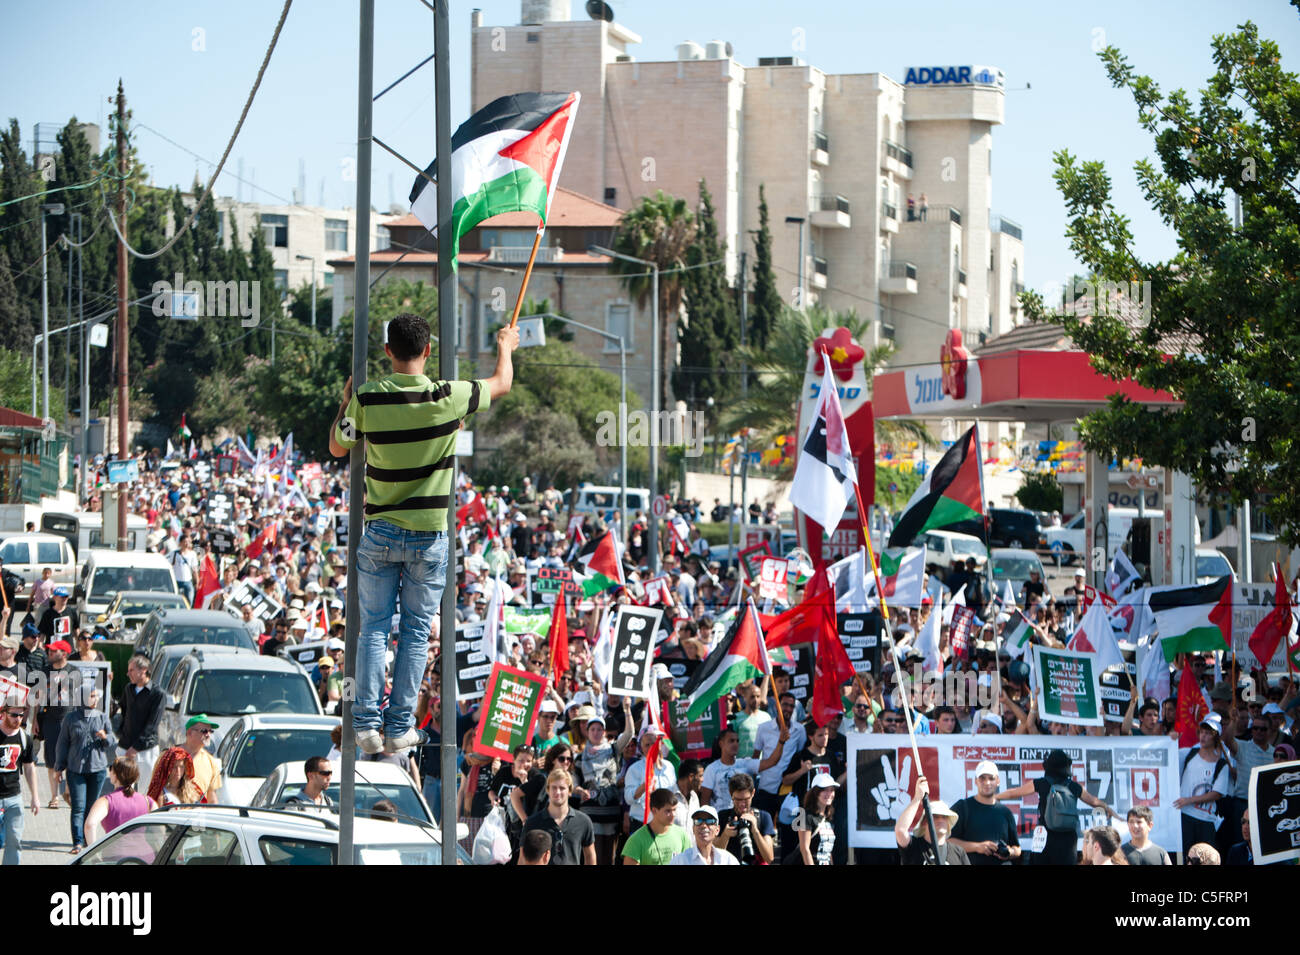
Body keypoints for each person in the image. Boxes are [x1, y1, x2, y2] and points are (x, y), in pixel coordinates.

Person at [330, 313, 518, 755]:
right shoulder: (447, 396)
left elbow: (338, 446)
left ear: (388, 352)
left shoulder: (368, 397)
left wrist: (345, 402)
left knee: (374, 630)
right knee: (416, 631)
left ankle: (367, 726)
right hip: (429, 537)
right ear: (429, 351)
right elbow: (501, 383)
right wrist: (506, 345)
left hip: (379, 533)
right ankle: (399, 726)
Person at [993, 748, 1117, 865]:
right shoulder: (1074, 786)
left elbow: (1014, 793)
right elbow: (1094, 801)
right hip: (1068, 839)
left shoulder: (1041, 783)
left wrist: (995, 797)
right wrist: (1108, 808)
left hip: (1045, 836)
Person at [54, 685, 114, 854]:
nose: (95, 699)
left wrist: (105, 737)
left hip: (97, 769)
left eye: (96, 696)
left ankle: (90, 842)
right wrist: (59, 767)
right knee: (78, 806)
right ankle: (78, 842)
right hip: (75, 769)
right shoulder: (71, 718)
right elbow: (63, 743)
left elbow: (112, 741)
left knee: (91, 806)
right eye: (91, 696)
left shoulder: (102, 717)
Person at [1176, 712, 1232, 857]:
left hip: (1206, 820)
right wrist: (1171, 739)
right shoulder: (1188, 753)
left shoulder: (1221, 764)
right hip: (1185, 816)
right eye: (1202, 732)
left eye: (1208, 733)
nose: (1203, 736)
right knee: (1184, 857)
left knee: (1204, 859)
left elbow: (1217, 793)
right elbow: (1166, 755)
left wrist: (1189, 800)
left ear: (1215, 737)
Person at [949, 760, 1020, 865]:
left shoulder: (1006, 812)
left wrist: (1009, 852)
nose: (987, 783)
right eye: (982, 778)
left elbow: (1017, 848)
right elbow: (947, 841)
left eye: (991, 778)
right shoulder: (962, 807)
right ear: (975, 781)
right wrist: (977, 847)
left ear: (998, 781)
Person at [521, 768, 595, 865]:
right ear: (548, 790)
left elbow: (590, 856)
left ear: (569, 791)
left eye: (562, 788)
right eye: (554, 787)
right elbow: (523, 859)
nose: (558, 792)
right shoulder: (532, 823)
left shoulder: (583, 821)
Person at [894, 776, 969, 865]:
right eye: (935, 816)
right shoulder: (914, 846)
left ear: (949, 823)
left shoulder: (958, 852)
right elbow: (900, 831)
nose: (940, 820)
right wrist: (917, 797)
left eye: (944, 817)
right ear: (924, 823)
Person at [0, 701, 39, 865]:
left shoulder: (25, 738)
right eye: (14, 715)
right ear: (4, 713)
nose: (18, 719)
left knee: (15, 841)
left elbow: (29, 767)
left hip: (14, 798)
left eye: (21, 715)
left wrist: (35, 796)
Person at [117, 654, 165, 787]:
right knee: (123, 787)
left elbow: (152, 724)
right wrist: (122, 734)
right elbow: (123, 712)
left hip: (146, 750)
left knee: (146, 788)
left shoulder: (157, 694)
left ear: (143, 670)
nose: (128, 674)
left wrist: (136, 747)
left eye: (131, 670)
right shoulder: (128, 689)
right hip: (126, 746)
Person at [84, 757, 153, 845]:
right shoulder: (148, 801)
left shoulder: (106, 801)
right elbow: (160, 830)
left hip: (115, 855)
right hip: (146, 855)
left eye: (111, 769)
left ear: (115, 775)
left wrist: (93, 854)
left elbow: (90, 825)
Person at [716, 772, 776, 865]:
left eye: (746, 799)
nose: (742, 804)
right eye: (738, 799)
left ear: (753, 793)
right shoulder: (723, 816)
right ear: (731, 794)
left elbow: (769, 858)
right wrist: (725, 835)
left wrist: (755, 831)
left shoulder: (764, 817)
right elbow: (715, 856)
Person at [621, 787, 691, 865]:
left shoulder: (681, 835)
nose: (673, 814)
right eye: (668, 811)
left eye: (674, 810)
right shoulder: (636, 840)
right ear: (654, 811)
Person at [785, 773, 841, 865]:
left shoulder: (828, 817)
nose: (829, 794)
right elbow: (804, 849)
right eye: (825, 790)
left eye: (831, 790)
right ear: (816, 792)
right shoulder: (806, 816)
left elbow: (828, 850)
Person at [671, 804, 739, 865]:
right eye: (698, 821)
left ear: (717, 830)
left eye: (710, 821)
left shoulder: (728, 860)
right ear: (693, 829)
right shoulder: (680, 861)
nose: (703, 825)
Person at [179, 714, 223, 802]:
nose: (208, 735)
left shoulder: (211, 762)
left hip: (199, 813)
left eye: (210, 731)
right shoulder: (171, 756)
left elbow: (212, 797)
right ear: (189, 733)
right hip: (174, 813)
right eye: (204, 731)